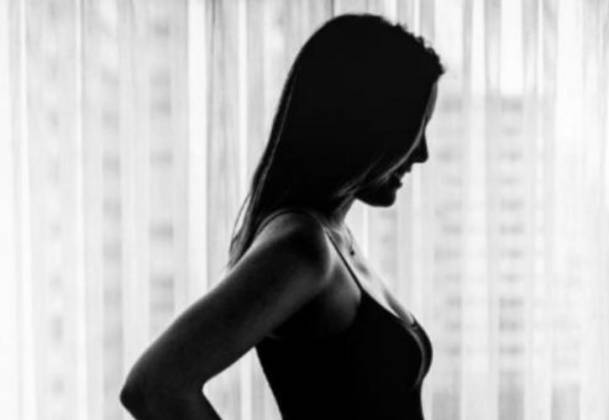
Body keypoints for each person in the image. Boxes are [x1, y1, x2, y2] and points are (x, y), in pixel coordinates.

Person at [120, 13, 444, 420]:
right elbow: (154, 388)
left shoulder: (330, 236)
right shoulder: (301, 246)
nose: (422, 153)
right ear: (365, 126)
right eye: (414, 129)